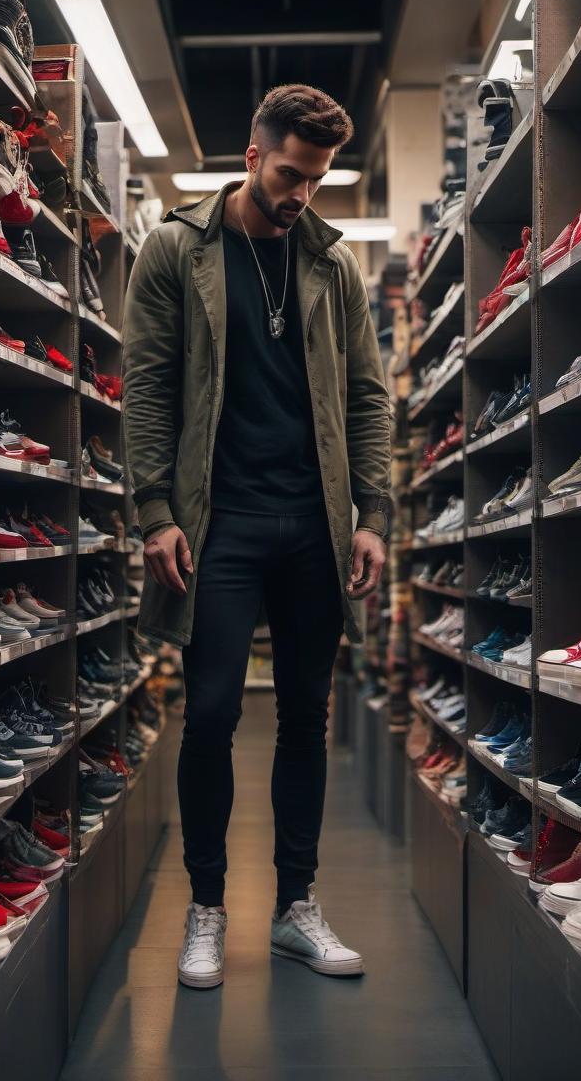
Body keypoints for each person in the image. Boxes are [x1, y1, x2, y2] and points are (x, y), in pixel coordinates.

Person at [122, 83, 392, 988]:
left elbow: (366, 397)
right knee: (210, 714)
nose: (300, 194)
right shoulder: (175, 250)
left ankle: (296, 909)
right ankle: (205, 907)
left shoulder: (332, 266)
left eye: (316, 180)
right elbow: (150, 389)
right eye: (288, 174)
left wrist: (375, 515)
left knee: (307, 719)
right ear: (251, 155)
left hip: (313, 522)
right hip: (218, 523)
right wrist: (154, 512)